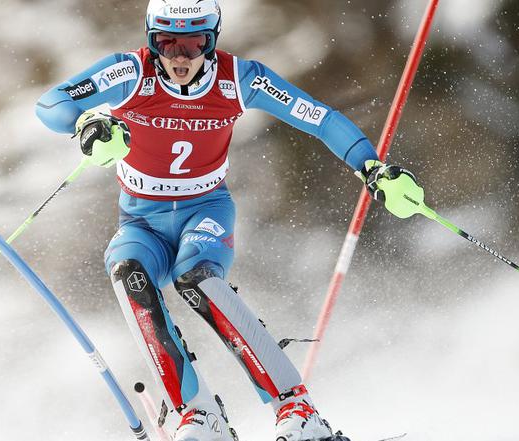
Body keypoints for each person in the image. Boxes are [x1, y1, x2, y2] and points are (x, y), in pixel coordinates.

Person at [36, 1, 422, 440]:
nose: (180, 57)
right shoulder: (129, 73)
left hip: (206, 211)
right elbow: (50, 103)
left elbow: (318, 117)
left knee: (194, 277)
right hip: (142, 221)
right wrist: (87, 122)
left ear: (212, 40)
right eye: (167, 43)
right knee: (128, 273)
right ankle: (199, 415)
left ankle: (296, 408)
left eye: (193, 43)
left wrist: (372, 168)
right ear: (151, 39)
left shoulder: (239, 79)